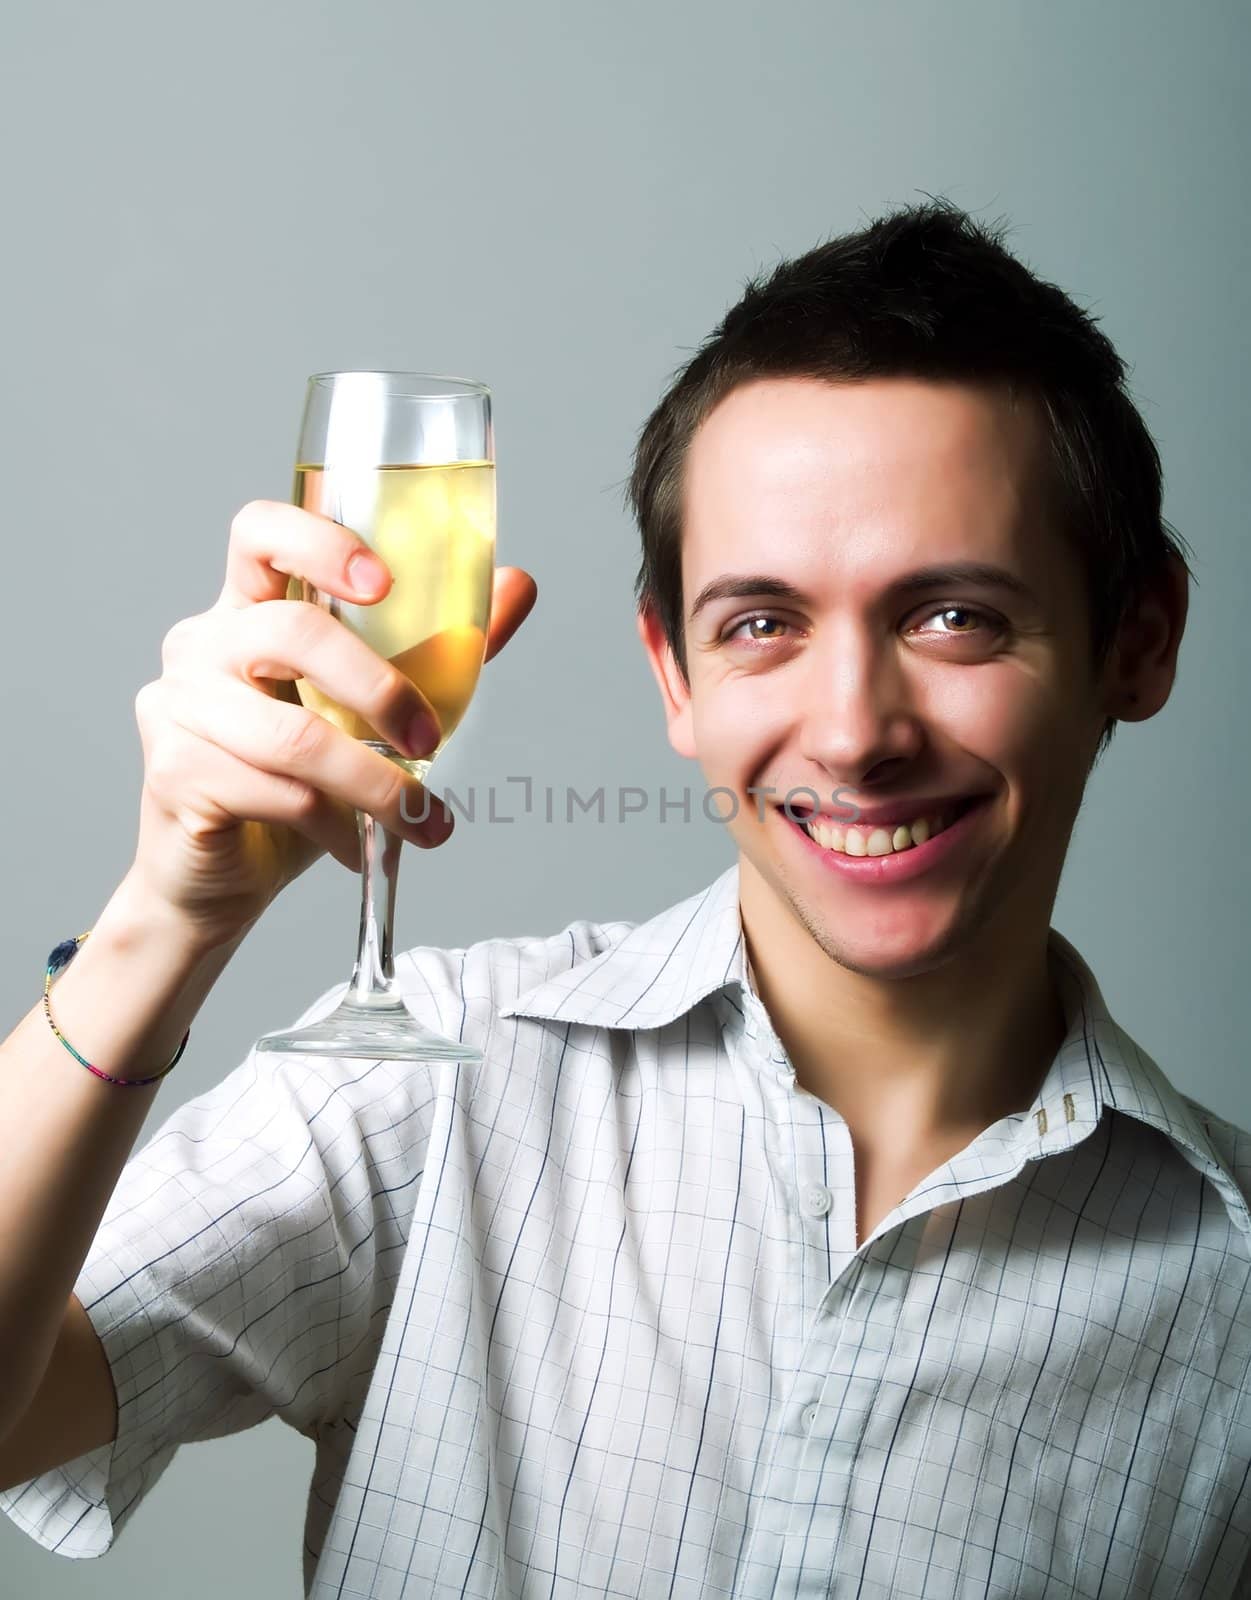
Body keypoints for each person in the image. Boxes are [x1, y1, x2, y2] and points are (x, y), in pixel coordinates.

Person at [0, 198, 1246, 1600]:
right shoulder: (441, 1085)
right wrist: (164, 919)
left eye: (952, 616)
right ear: (674, 673)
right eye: (762, 624)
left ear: (1137, 644)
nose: (852, 731)